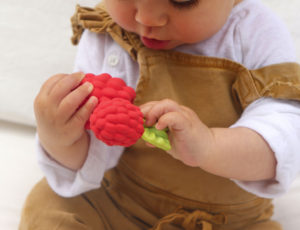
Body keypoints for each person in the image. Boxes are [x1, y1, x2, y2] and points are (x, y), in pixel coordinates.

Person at [19, 0, 300, 229]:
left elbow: (286, 133)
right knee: (48, 206)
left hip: (230, 220)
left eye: (182, 1)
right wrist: (61, 139)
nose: (147, 18)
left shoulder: (254, 31)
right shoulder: (108, 30)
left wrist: (210, 146)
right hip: (125, 199)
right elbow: (95, 155)